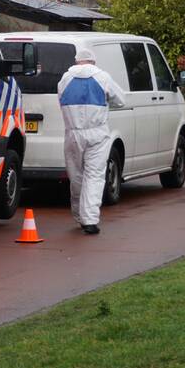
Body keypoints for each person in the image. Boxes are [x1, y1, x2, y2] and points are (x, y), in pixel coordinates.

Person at [58, 48, 126, 234]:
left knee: (76, 176)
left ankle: (79, 216)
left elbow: (61, 101)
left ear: (76, 61)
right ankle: (89, 220)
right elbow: (121, 100)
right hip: (97, 133)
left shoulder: (65, 79)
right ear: (93, 61)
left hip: (72, 133)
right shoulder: (102, 77)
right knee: (94, 176)